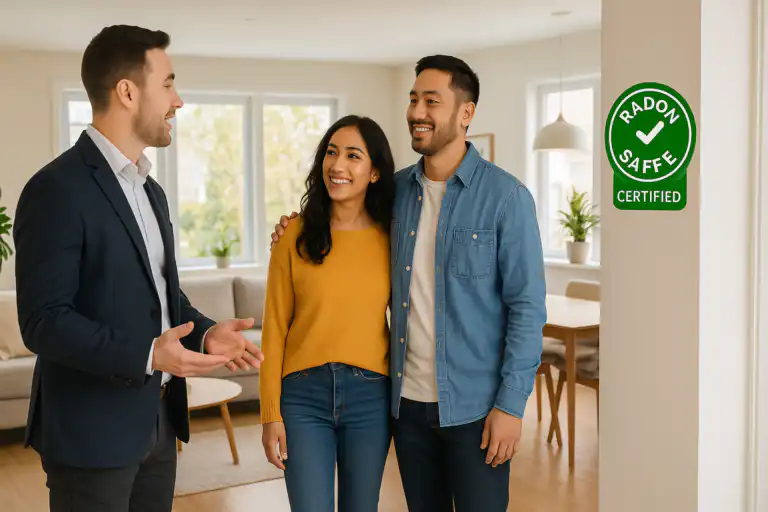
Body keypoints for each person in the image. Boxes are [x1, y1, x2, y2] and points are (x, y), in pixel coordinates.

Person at [271, 55, 546, 511]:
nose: (417, 111)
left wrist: (511, 406)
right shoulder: (394, 196)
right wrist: (293, 225)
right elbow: (341, 220)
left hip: (476, 410)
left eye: (431, 101)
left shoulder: (507, 199)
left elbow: (527, 309)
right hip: (407, 408)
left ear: (465, 113)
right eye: (414, 98)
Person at [13, 25, 264, 512]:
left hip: (158, 425)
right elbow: (43, 322)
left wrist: (207, 334)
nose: (179, 100)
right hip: (91, 436)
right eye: (168, 83)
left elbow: (165, 300)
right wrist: (150, 355)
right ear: (127, 92)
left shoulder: (151, 191)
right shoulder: (56, 189)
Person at [259, 114, 396, 512]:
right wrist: (271, 414)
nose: (338, 165)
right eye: (332, 153)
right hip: (302, 398)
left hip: (371, 396)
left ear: (374, 172)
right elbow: (274, 331)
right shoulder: (293, 237)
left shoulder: (392, 239)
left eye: (354, 156)